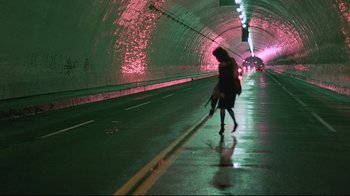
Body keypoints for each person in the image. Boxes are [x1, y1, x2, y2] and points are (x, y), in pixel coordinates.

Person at [211, 47, 241, 135]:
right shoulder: (231, 61)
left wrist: (221, 92)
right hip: (233, 89)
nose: (216, 59)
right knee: (227, 107)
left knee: (222, 107)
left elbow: (223, 79)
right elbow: (233, 76)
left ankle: (223, 127)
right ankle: (232, 124)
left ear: (220, 56)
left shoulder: (222, 65)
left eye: (216, 57)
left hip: (226, 89)